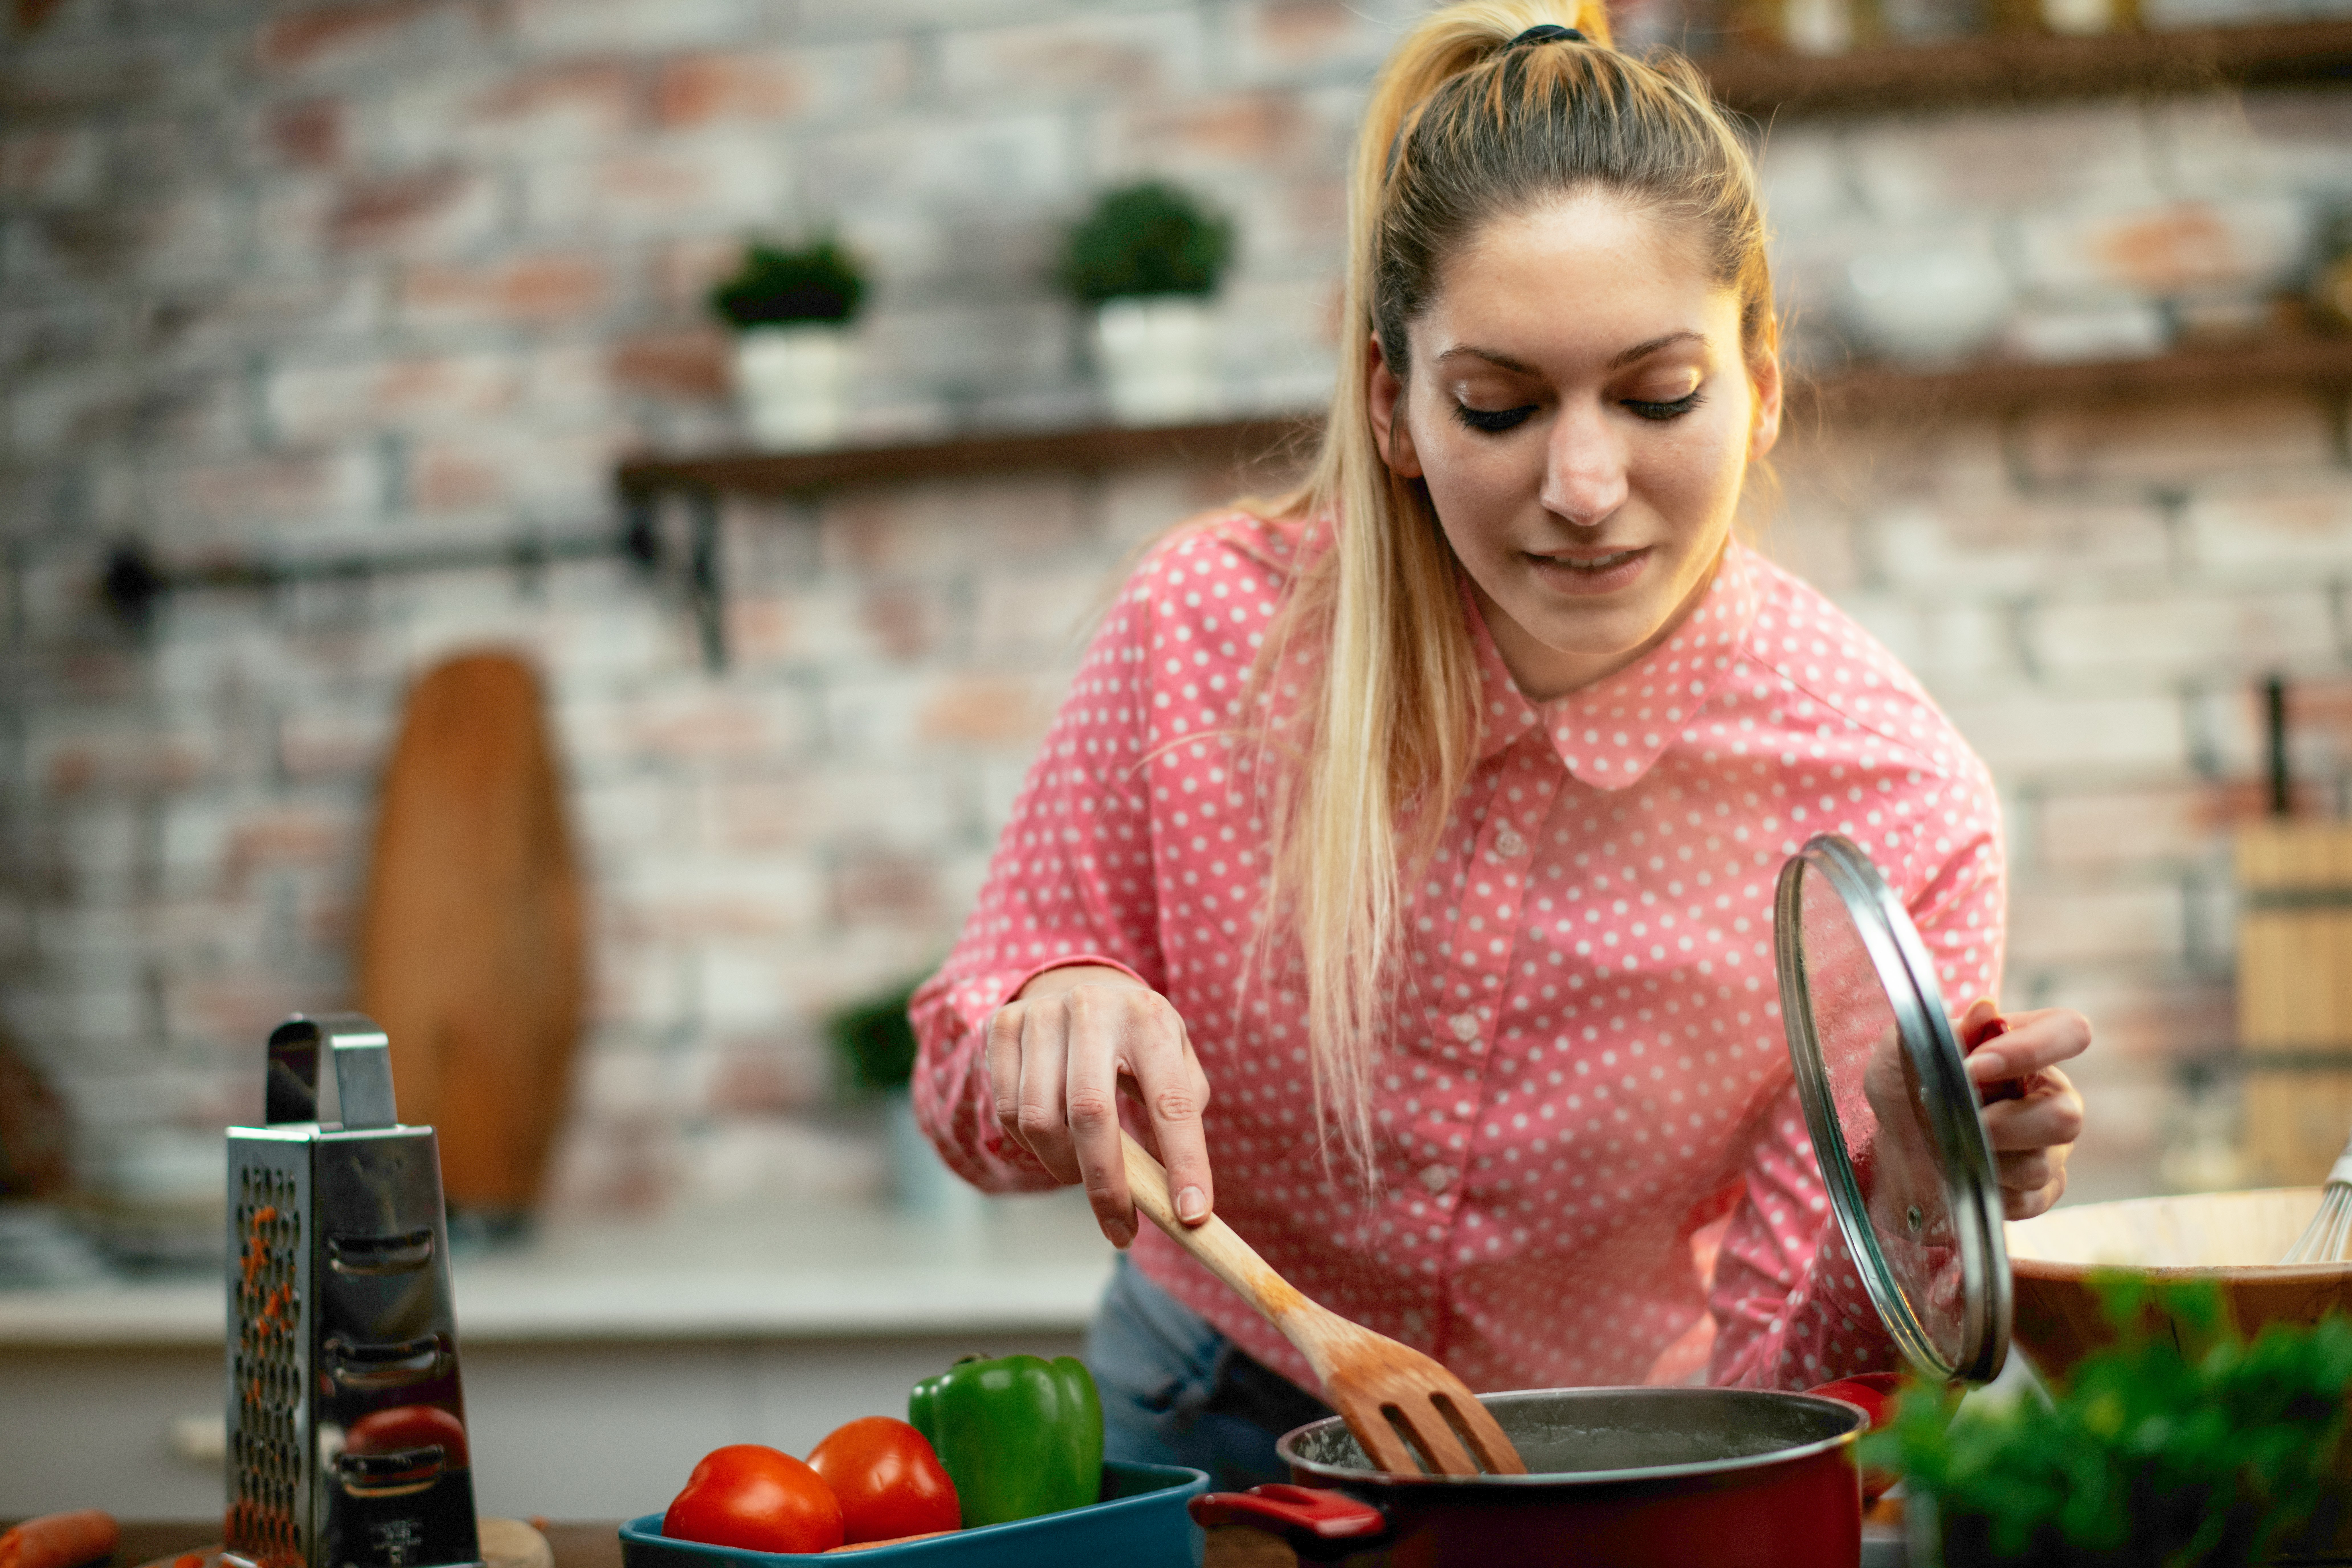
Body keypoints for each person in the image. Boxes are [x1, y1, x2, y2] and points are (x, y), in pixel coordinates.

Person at [910, 0, 2090, 1492]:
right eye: (1499, 406)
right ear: (1396, 405)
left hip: (1609, 1459)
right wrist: (1045, 1021)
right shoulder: (1204, 631)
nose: (1586, 487)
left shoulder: (1887, 802)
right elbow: (963, 1107)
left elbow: (1779, 1408)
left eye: (1658, 395)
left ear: (1764, 383)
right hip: (1199, 1405)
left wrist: (1906, 1211)